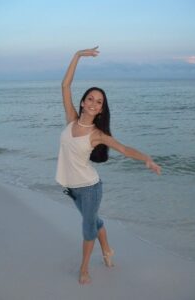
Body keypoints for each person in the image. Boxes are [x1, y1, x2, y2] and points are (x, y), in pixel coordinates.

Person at [56, 46, 161, 285]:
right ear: (82, 103)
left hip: (90, 188)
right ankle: (108, 248)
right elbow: (65, 86)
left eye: (99, 101)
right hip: (71, 187)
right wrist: (77, 56)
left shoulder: (97, 134)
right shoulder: (70, 118)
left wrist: (147, 159)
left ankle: (84, 269)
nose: (93, 103)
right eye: (90, 99)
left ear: (101, 109)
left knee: (87, 228)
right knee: (93, 221)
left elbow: (124, 148)